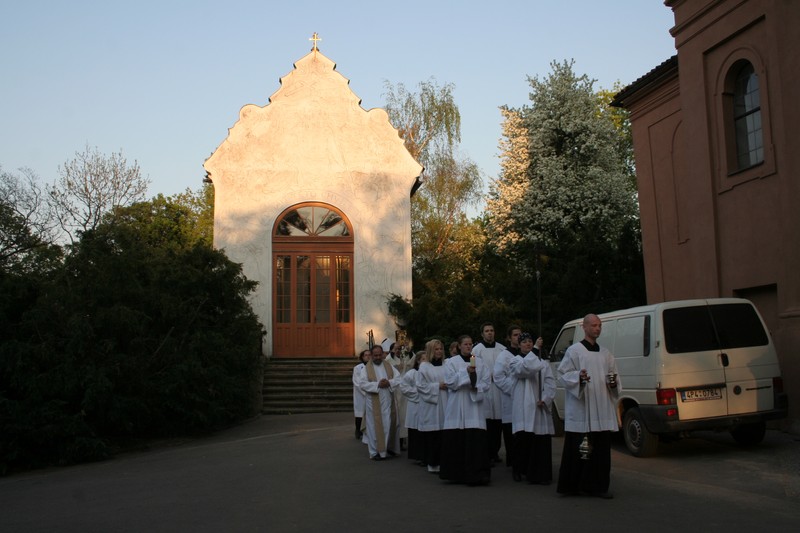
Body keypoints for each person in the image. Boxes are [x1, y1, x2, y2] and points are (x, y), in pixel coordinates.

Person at [556, 314, 620, 499]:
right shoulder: (574, 351)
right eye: (593, 325)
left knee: (600, 451)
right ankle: (572, 486)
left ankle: (598, 486)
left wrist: (613, 383)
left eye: (599, 325)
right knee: (579, 449)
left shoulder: (606, 353)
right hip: (582, 407)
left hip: (601, 406)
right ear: (584, 327)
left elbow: (613, 376)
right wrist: (579, 378)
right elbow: (563, 373)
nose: (597, 329)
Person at [439, 335, 492, 485]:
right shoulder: (451, 362)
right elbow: (450, 382)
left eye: (470, 344)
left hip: (474, 405)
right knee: (457, 439)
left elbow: (486, 382)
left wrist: (476, 386)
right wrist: (466, 373)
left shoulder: (480, 362)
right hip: (457, 405)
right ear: (459, 346)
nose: (468, 347)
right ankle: (456, 473)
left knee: (475, 440)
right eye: (465, 344)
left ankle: (478, 473)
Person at [509, 332, 555, 484]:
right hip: (522, 405)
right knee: (521, 439)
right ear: (519, 345)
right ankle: (517, 469)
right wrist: (535, 350)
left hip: (538, 405)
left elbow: (549, 382)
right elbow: (523, 371)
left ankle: (536, 471)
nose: (528, 344)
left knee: (538, 439)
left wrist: (546, 398)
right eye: (524, 342)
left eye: (530, 341)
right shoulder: (515, 361)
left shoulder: (543, 362)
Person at [356, 344, 402, 460]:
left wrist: (389, 383)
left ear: (382, 354)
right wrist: (377, 385)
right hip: (373, 402)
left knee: (390, 424)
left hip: (388, 401)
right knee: (373, 428)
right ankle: (375, 452)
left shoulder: (389, 366)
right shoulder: (366, 369)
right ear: (371, 355)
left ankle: (389, 448)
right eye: (375, 355)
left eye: (379, 355)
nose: (377, 357)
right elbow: (362, 383)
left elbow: (398, 378)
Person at [472, 322, 507, 464]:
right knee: (487, 422)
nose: (490, 333)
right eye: (487, 331)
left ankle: (495, 451)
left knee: (498, 423)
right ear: (482, 334)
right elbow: (473, 368)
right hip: (485, 388)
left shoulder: (502, 349)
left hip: (499, 389)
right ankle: (486, 453)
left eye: (492, 330)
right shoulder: (476, 350)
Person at [493, 324, 522, 467]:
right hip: (510, 398)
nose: (518, 337)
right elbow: (498, 377)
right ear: (509, 338)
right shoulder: (504, 355)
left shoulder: (527, 354)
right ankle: (512, 461)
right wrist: (514, 389)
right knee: (511, 433)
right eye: (515, 335)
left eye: (520, 335)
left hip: (525, 400)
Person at [417, 339, 448, 473]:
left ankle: (444, 463)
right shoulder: (424, 367)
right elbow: (420, 386)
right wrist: (437, 386)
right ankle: (433, 463)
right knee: (433, 436)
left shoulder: (447, 364)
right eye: (436, 349)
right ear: (430, 351)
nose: (439, 351)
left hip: (446, 402)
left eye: (441, 348)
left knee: (444, 436)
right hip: (432, 405)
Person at [400, 352, 423, 464]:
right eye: (423, 359)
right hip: (415, 405)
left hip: (426, 405)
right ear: (418, 361)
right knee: (415, 431)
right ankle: (416, 455)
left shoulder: (429, 372)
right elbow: (404, 387)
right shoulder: (412, 373)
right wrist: (419, 393)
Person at [352, 349, 371, 440]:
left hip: (371, 393)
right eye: (365, 355)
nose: (367, 356)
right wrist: (366, 392)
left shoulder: (373, 367)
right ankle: (358, 430)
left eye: (369, 355)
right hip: (361, 394)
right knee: (360, 413)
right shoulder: (357, 368)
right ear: (362, 357)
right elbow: (357, 382)